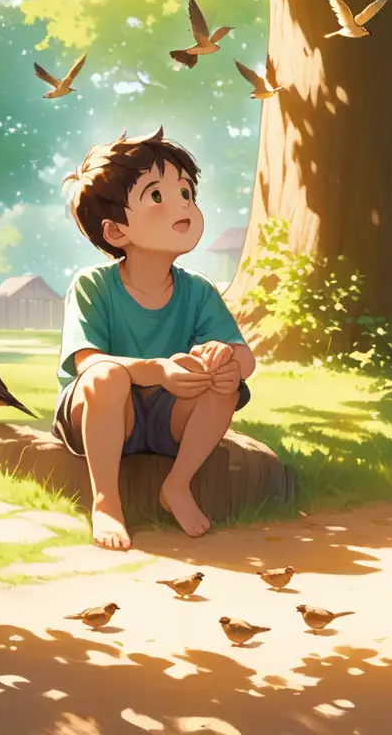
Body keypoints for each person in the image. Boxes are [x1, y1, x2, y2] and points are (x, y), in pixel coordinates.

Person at [53, 127, 256, 551]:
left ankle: (177, 486)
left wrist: (225, 357)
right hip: (105, 412)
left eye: (185, 193)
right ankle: (107, 501)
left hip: (168, 418)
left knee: (227, 377)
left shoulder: (197, 289)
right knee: (107, 377)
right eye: (158, 197)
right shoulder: (94, 285)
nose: (182, 206)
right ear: (114, 232)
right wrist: (158, 371)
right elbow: (86, 363)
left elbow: (246, 359)